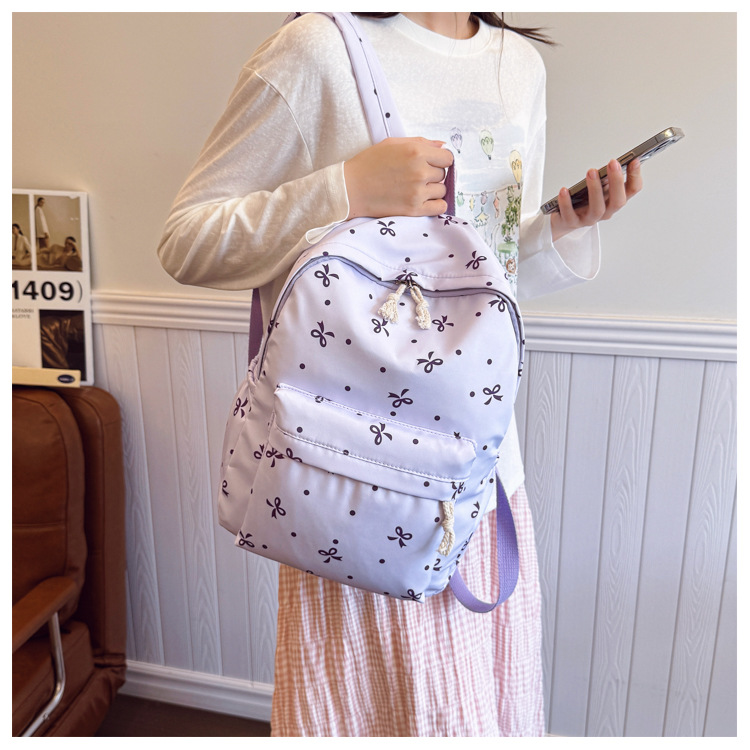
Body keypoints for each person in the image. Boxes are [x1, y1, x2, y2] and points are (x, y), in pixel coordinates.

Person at [158, 12, 642, 737]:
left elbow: (485, 283)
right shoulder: (318, 48)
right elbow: (186, 241)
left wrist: (563, 228)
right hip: (355, 482)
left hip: (480, 476)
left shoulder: (519, 65)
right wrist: (344, 190)